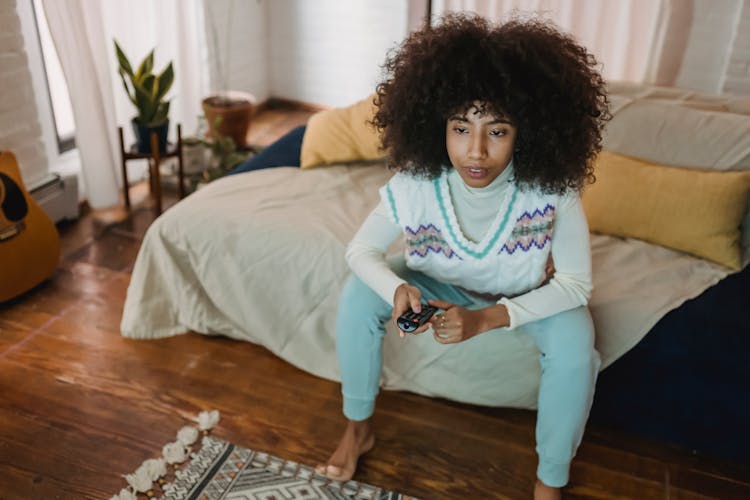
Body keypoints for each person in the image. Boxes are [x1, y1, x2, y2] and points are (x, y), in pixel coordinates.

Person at [315, 14, 610, 500]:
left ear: (527, 132)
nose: (475, 151)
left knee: (577, 341)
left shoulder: (552, 191)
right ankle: (356, 428)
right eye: (460, 128)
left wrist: (486, 319)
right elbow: (361, 250)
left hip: (521, 293)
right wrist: (397, 288)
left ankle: (549, 479)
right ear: (438, 126)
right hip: (432, 279)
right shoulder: (415, 184)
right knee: (357, 295)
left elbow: (575, 285)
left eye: (497, 131)